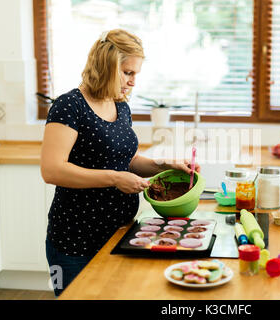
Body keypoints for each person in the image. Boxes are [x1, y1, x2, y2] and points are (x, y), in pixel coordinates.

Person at [40, 29, 200, 297]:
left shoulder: (121, 106)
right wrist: (114, 178)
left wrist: (166, 166)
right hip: (75, 239)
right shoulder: (69, 106)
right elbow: (52, 170)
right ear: (105, 66)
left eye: (136, 74)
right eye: (127, 73)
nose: (133, 82)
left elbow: (128, 160)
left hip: (120, 233)